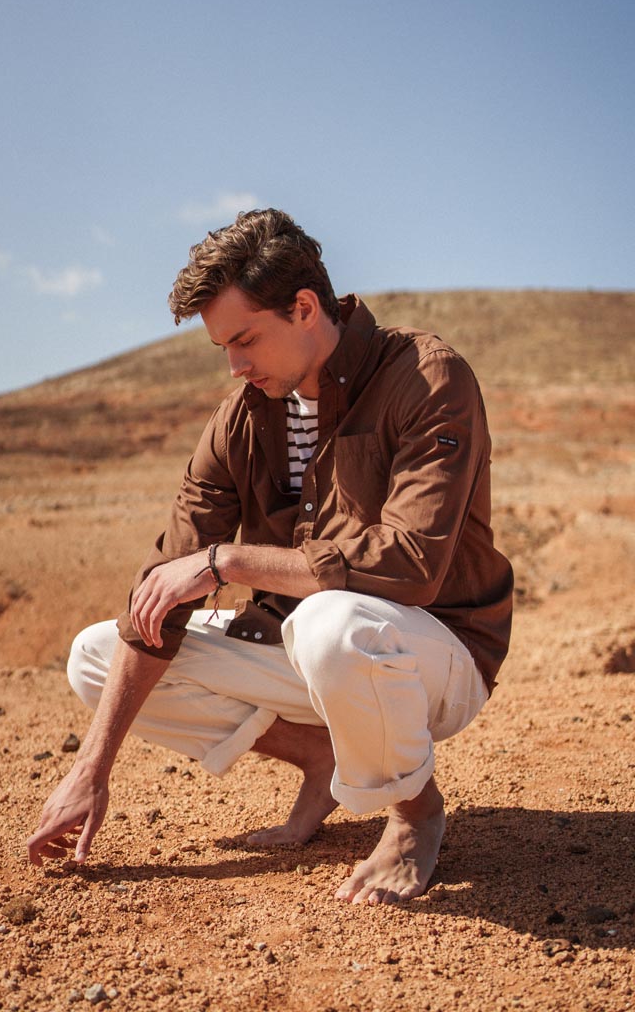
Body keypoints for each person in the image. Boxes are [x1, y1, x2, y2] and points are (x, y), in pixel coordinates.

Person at [27, 208, 513, 905]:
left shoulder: (427, 377)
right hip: (306, 650)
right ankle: (321, 756)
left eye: (245, 339)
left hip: (431, 652)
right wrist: (92, 768)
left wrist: (229, 563)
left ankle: (415, 813)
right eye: (223, 347)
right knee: (97, 655)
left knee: (331, 623)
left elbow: (411, 563)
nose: (235, 365)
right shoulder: (241, 417)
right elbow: (166, 582)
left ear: (305, 308)